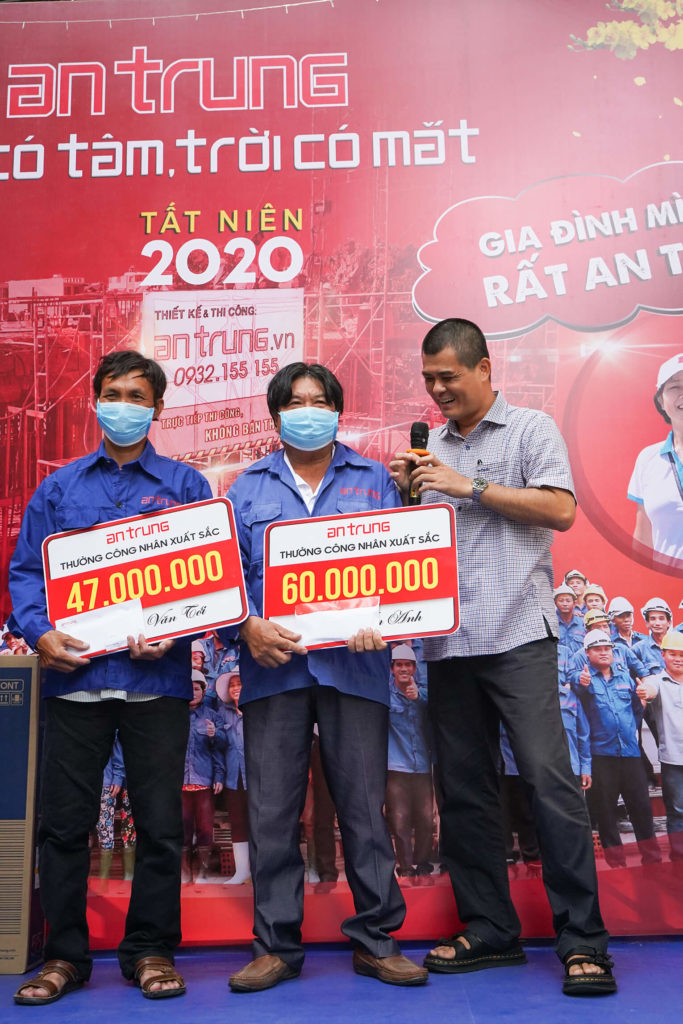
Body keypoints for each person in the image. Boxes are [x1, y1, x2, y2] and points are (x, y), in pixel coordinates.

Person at [389, 317, 614, 997]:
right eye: (428, 379)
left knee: (547, 784)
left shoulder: (530, 430)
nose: (437, 390)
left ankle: (584, 941)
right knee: (463, 793)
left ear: (484, 368)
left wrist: (468, 486)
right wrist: (405, 499)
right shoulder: (428, 450)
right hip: (447, 643)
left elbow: (559, 510)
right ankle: (490, 929)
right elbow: (409, 550)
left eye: (448, 377)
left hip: (518, 635)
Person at [9, 350, 212, 1005]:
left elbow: (205, 581)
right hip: (76, 680)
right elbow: (26, 575)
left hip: (157, 684)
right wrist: (41, 632)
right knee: (64, 827)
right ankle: (63, 956)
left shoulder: (186, 487)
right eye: (113, 393)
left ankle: (151, 951)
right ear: (95, 400)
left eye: (137, 396)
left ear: (157, 408)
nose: (123, 405)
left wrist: (176, 629)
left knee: (160, 827)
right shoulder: (59, 489)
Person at [226, 362, 427, 991]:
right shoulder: (245, 488)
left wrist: (384, 622)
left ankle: (376, 940)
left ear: (338, 412)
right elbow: (225, 582)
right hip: (273, 672)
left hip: (355, 668)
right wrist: (246, 627)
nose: (308, 412)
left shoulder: (376, 480)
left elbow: (402, 567)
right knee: (272, 812)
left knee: (364, 808)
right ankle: (275, 946)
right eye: (296, 402)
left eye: (320, 402)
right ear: (276, 415)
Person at [577, 631, 661, 868]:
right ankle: (617, 865)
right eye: (598, 649)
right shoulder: (584, 682)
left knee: (642, 810)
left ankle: (653, 862)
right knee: (606, 814)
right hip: (601, 756)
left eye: (607, 648)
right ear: (587, 653)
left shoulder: (625, 677)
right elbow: (580, 718)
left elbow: (636, 711)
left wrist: (628, 728)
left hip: (630, 754)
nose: (604, 653)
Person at [385, 643, 434, 884]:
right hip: (396, 766)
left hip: (422, 765)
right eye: (399, 665)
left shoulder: (424, 693)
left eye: (408, 665)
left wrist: (419, 698)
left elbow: (438, 705)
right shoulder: (385, 694)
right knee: (400, 819)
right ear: (392, 669)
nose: (403, 669)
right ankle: (405, 868)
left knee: (426, 818)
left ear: (415, 668)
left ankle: (423, 864)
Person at [628, 352, 683, 564]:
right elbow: (643, 538)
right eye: (675, 387)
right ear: (661, 400)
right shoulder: (648, 458)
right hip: (666, 582)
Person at [637, 631, 683, 860]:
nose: (678, 659)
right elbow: (650, 689)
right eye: (673, 654)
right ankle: (679, 858)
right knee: (677, 810)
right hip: (673, 760)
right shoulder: (657, 681)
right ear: (663, 655)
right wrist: (644, 692)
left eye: (682, 655)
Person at [182, 671, 223, 884]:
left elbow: (219, 749)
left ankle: (203, 872)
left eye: (197, 688)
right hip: (180, 783)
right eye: (189, 688)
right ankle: (185, 871)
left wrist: (219, 776)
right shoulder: (175, 715)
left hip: (204, 782)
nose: (193, 692)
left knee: (205, 829)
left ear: (204, 691)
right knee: (183, 828)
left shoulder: (212, 716)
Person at [214, 670, 251, 885]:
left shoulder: (256, 709)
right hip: (233, 775)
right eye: (232, 685)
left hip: (255, 774)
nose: (236, 688)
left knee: (258, 821)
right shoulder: (222, 712)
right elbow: (219, 746)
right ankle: (242, 871)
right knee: (237, 822)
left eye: (239, 683)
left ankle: (260, 869)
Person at [554, 584, 584, 653]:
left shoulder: (583, 623)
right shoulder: (551, 624)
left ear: (574, 603)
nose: (565, 604)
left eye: (568, 601)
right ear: (555, 603)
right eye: (561, 601)